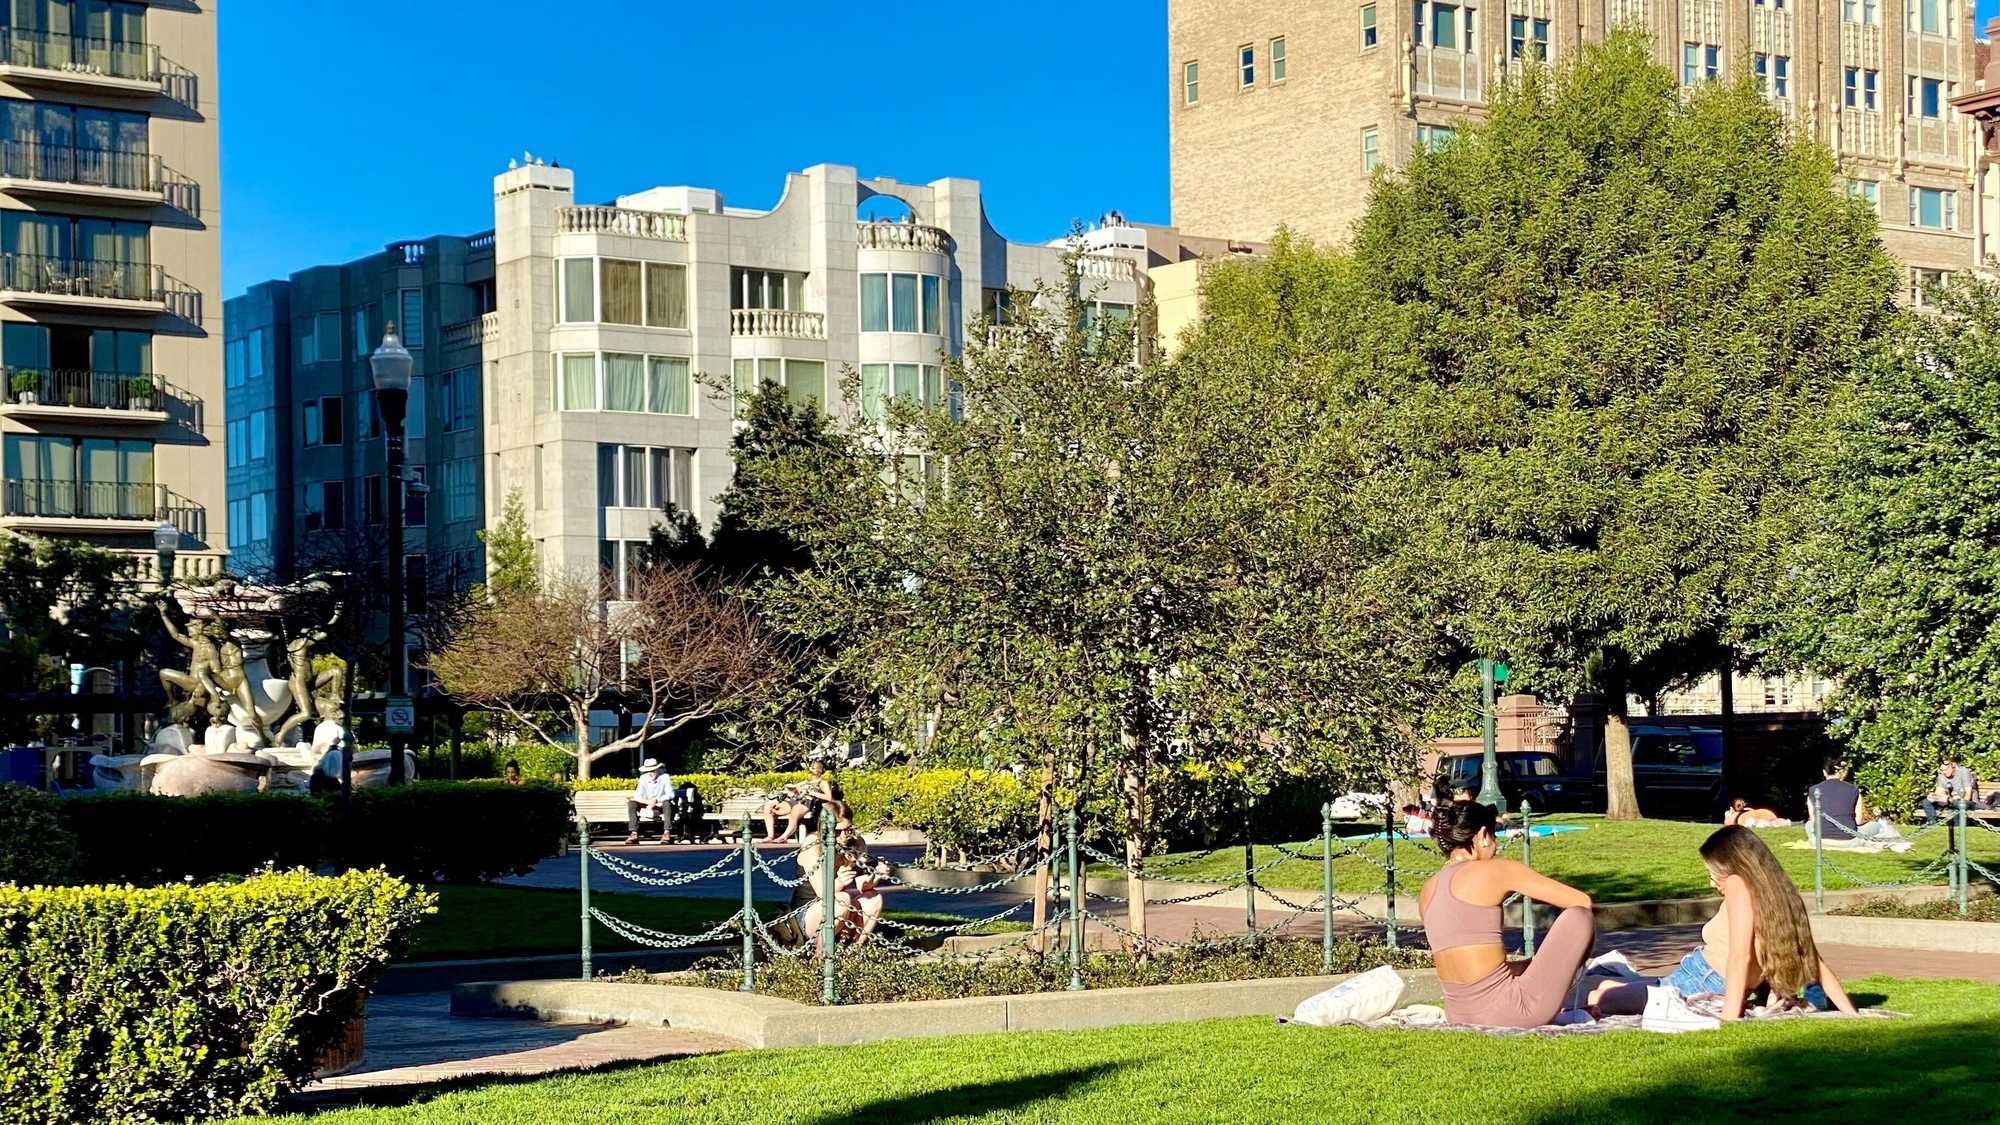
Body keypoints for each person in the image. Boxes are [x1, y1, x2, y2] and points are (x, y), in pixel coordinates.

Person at [1590, 826, 1857, 1020]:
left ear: (1734, 865)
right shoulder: (1779, 892)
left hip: (1701, 979)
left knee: (1600, 996)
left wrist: (1730, 1017)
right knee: (1604, 988)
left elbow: (1740, 956)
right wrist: (1850, 1012)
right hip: (1702, 976)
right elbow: (1812, 959)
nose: (1712, 882)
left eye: (1713, 873)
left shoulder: (1737, 884)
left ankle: (1605, 985)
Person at [1419, 800, 1597, 1028]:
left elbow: (1472, 969)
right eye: (1494, 837)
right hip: (1512, 1012)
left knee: (1525, 968)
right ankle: (1570, 993)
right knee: (1580, 916)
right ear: (1483, 835)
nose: (1495, 847)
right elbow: (1581, 901)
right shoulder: (1495, 870)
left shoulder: (1428, 890)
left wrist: (1532, 965)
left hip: (1457, 1014)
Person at [1810, 759, 1901, 844]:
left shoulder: (1813, 790)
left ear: (1824, 772)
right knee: (1876, 826)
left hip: (1819, 840)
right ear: (1843, 772)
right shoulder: (1853, 789)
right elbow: (1858, 821)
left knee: (1808, 824)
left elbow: (1814, 820)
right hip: (1849, 839)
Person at [757, 761, 844, 844]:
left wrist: (812, 793)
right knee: (769, 808)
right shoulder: (807, 781)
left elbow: (829, 797)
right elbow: (795, 789)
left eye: (813, 768)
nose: (810, 770)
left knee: (795, 811)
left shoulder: (822, 782)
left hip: (806, 802)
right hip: (794, 800)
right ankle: (770, 836)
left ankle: (783, 837)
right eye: (810, 768)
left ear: (819, 771)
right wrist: (794, 789)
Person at [623, 759, 676, 845]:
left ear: (657, 769)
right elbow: (637, 795)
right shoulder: (643, 778)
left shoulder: (665, 777)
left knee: (667, 803)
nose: (650, 773)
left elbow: (670, 794)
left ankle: (667, 832)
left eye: (653, 770)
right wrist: (648, 802)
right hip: (647, 804)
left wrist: (656, 800)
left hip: (661, 804)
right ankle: (634, 833)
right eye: (648, 771)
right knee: (632, 803)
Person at [1920, 756, 1978, 823]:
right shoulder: (1942, 775)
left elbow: (1967, 797)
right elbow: (1939, 793)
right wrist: (1934, 797)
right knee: (1926, 802)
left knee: (1957, 804)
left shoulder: (1964, 772)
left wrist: (1950, 799)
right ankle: (1932, 823)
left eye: (1946, 769)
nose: (1944, 772)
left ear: (1953, 765)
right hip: (1950, 801)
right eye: (1942, 770)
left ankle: (1958, 827)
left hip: (1967, 802)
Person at [1722, 799, 1790, 829]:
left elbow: (1728, 823)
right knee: (1773, 822)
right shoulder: (1732, 815)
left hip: (1759, 816)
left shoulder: (1733, 816)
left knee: (1770, 822)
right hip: (1763, 815)